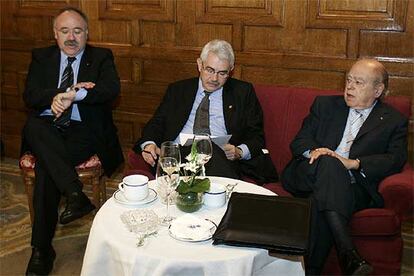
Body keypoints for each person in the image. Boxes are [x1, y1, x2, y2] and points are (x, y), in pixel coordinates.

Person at [281, 59, 408, 275]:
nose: (349, 87)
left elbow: (395, 159)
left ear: (378, 90)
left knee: (318, 202)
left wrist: (354, 164)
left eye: (358, 82)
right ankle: (347, 252)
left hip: (352, 185)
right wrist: (317, 153)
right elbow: (299, 141)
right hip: (309, 171)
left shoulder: (393, 120)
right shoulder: (325, 105)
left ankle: (309, 271)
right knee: (329, 163)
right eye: (348, 80)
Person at [22, 7, 123, 275]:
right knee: (34, 125)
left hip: (84, 131)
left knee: (46, 166)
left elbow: (111, 89)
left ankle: (41, 250)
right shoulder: (41, 57)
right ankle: (74, 193)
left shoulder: (101, 57)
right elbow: (31, 96)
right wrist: (62, 93)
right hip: (46, 128)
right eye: (65, 31)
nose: (71, 37)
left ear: (86, 34)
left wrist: (75, 97)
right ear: (55, 34)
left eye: (77, 31)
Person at [133, 39, 276, 181]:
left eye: (222, 73)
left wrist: (238, 151)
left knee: (210, 152)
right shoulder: (178, 90)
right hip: (180, 155)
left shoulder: (243, 92)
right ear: (199, 64)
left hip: (220, 157)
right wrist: (149, 144)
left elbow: (256, 135)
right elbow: (157, 123)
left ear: (231, 71)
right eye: (210, 70)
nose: (214, 78)